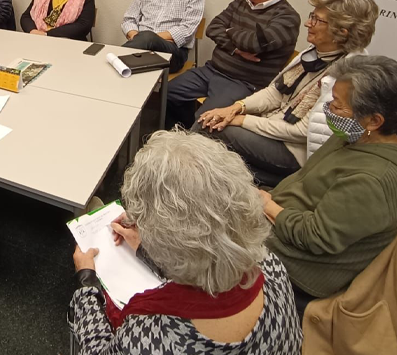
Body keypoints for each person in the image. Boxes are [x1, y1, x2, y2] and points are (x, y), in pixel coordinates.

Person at [69, 129, 302, 353]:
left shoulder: (149, 338)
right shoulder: (271, 267)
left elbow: (96, 349)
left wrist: (87, 282)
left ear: (167, 241)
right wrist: (144, 248)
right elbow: (207, 261)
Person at [258, 55, 397, 317]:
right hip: (277, 222)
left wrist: (268, 206)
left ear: (374, 120)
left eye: (337, 106)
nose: (328, 111)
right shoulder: (356, 136)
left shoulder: (373, 181)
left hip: (296, 267)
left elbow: (316, 238)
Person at [195, 0, 378, 186]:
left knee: (210, 126)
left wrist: (242, 120)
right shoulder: (311, 54)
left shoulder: (347, 76)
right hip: (272, 129)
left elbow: (301, 131)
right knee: (211, 120)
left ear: (342, 32)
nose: (308, 24)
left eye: (317, 20)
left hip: (293, 152)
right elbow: (273, 93)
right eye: (312, 16)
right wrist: (236, 107)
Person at [165, 0, 301, 129]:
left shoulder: (287, 17)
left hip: (243, 83)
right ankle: (183, 131)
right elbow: (213, 28)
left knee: (205, 119)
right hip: (211, 70)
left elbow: (254, 44)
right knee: (166, 94)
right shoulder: (240, 3)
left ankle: (192, 141)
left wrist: (230, 30)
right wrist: (235, 49)